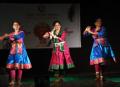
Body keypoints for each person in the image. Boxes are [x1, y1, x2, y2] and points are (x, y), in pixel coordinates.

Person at [4, 21, 32, 86]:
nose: (15, 26)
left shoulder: (21, 32)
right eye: (14, 25)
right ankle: (13, 81)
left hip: (20, 51)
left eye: (17, 25)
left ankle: (19, 81)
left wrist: (11, 36)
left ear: (19, 26)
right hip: (13, 51)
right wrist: (9, 37)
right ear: (13, 26)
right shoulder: (12, 33)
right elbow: (10, 40)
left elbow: (19, 38)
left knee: (19, 67)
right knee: (12, 66)